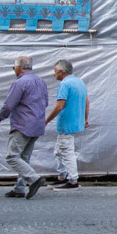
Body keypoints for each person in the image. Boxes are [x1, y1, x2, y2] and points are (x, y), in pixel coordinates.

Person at [0, 56, 49, 199]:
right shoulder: (41, 82)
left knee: (12, 156)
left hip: (23, 124)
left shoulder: (20, 83)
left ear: (18, 68)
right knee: (24, 157)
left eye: (13, 67)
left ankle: (34, 179)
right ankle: (19, 188)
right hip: (37, 124)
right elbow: (45, 102)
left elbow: (9, 105)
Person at [44, 60, 88, 190]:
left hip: (67, 123)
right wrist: (85, 119)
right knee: (59, 151)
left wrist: (46, 120)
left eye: (55, 71)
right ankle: (62, 176)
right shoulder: (79, 82)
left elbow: (59, 106)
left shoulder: (65, 84)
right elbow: (87, 101)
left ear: (61, 71)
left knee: (66, 151)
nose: (54, 74)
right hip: (76, 122)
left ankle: (73, 180)